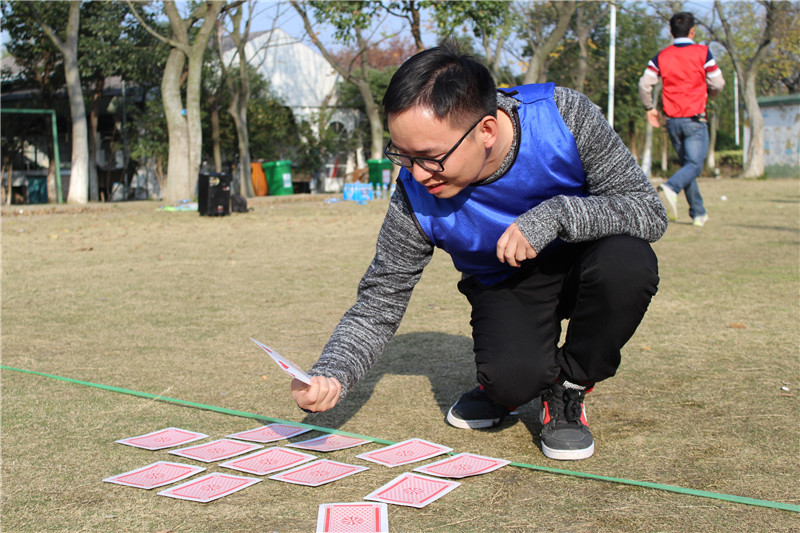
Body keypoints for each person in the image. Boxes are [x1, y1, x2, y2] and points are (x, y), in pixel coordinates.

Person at [291, 41, 666, 461]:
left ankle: (570, 389)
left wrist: (556, 215)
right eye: (404, 155)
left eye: (431, 157)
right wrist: (331, 374)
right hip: (505, 280)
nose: (417, 173)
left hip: (589, 264)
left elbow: (648, 212)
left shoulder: (563, 116)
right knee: (513, 381)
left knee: (629, 264)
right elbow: (382, 295)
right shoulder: (414, 190)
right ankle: (503, 386)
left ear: (486, 130)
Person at [639, 11, 725, 227]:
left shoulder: (661, 56)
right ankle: (671, 187)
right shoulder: (703, 53)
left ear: (671, 31)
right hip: (695, 119)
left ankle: (698, 213)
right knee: (694, 166)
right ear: (692, 30)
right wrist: (711, 92)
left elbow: (644, 84)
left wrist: (650, 107)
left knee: (688, 166)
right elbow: (718, 83)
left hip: (672, 121)